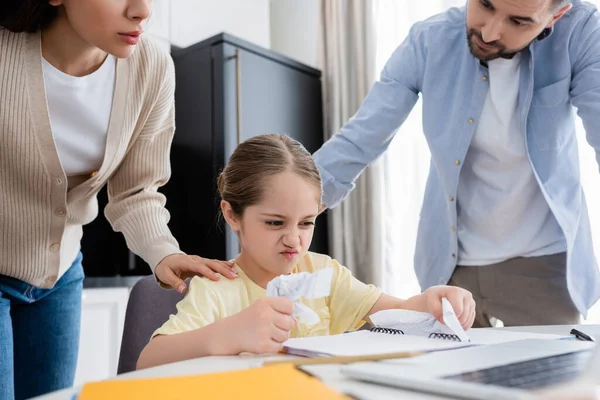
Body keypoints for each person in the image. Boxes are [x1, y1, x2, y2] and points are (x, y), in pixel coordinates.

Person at [0, 1, 237, 399]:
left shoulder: (152, 69)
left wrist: (163, 253)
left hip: (58, 276)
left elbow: (135, 190)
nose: (142, 10)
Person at [313, 0, 600, 327]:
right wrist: (282, 214)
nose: (490, 32)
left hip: (544, 270)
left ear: (556, 16)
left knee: (550, 376)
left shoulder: (581, 32)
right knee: (446, 377)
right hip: (450, 271)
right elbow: (360, 138)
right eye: (485, 4)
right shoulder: (428, 41)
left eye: (519, 22)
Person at [135, 134, 476, 370]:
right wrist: (229, 333)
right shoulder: (219, 288)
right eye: (274, 223)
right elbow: (148, 360)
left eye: (306, 223)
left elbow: (400, 311)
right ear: (231, 214)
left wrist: (433, 299)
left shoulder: (323, 273)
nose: (293, 241)